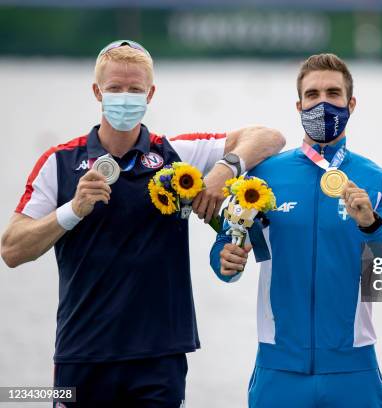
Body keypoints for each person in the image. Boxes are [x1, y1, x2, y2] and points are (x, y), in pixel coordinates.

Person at [0, 40, 285, 407]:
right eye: (115, 88)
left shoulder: (176, 155)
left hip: (159, 359)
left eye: (134, 89)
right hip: (82, 356)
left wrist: (222, 171)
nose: (124, 97)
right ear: (96, 92)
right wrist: (73, 209)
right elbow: (11, 249)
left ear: (150, 94)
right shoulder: (59, 163)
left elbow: (268, 137)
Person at [210, 53, 382, 408]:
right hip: (279, 370)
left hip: (354, 373)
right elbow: (224, 255)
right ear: (299, 104)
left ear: (351, 104)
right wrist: (227, 261)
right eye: (313, 94)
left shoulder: (376, 181)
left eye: (333, 94)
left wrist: (370, 223)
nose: (322, 102)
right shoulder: (262, 177)